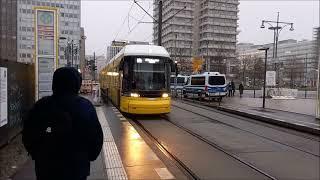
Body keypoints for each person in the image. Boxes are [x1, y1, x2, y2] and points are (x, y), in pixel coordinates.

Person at [22, 67, 103, 180]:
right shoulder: (86, 107)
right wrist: (87, 157)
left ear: (55, 83)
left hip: (46, 169)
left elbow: (28, 134)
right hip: (77, 169)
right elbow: (96, 138)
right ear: (76, 84)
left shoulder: (41, 106)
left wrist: (37, 155)